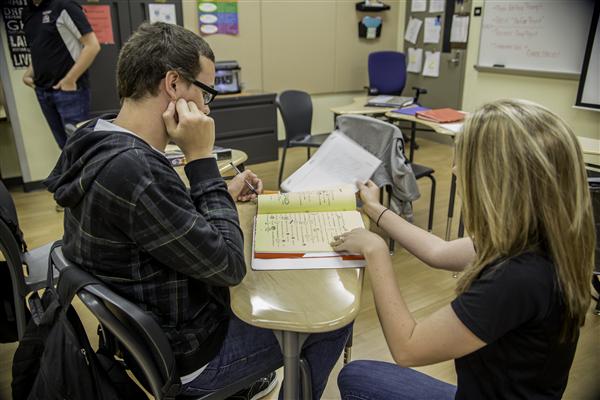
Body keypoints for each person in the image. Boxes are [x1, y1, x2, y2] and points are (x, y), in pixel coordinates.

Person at [44, 23, 350, 399]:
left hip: (145, 340)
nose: (206, 108)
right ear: (173, 85)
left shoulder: (95, 136)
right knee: (330, 320)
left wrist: (216, 190)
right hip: (191, 355)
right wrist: (201, 158)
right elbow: (229, 267)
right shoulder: (135, 171)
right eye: (205, 93)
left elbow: (154, 221)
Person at [331, 99, 595, 399]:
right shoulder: (537, 239)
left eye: (465, 162)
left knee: (356, 378)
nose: (455, 170)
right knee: (357, 376)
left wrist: (376, 250)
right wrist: (376, 209)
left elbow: (407, 347)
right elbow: (439, 252)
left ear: (500, 180)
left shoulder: (518, 278)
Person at [23, 0, 100, 149]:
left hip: (69, 92)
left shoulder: (64, 5)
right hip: (43, 92)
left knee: (80, 148)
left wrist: (69, 80)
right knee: (64, 148)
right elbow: (39, 48)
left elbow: (92, 45)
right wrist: (28, 74)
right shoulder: (27, 13)